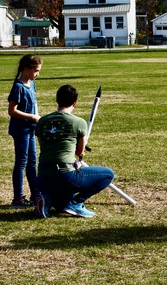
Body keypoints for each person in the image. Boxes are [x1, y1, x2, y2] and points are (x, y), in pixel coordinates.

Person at [33, 84, 115, 219]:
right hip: (65, 176)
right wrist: (83, 141)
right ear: (75, 102)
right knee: (108, 174)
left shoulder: (42, 121)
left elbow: (43, 145)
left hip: (42, 176)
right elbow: (79, 152)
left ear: (57, 100)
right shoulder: (79, 122)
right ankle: (75, 203)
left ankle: (46, 199)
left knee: (60, 204)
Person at [8, 54, 42, 209]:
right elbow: (12, 111)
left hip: (31, 129)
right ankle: (18, 198)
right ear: (26, 69)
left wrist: (37, 120)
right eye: (35, 71)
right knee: (21, 163)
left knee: (32, 162)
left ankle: (36, 194)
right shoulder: (18, 87)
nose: (37, 74)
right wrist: (32, 117)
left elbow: (34, 105)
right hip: (21, 130)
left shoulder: (31, 84)